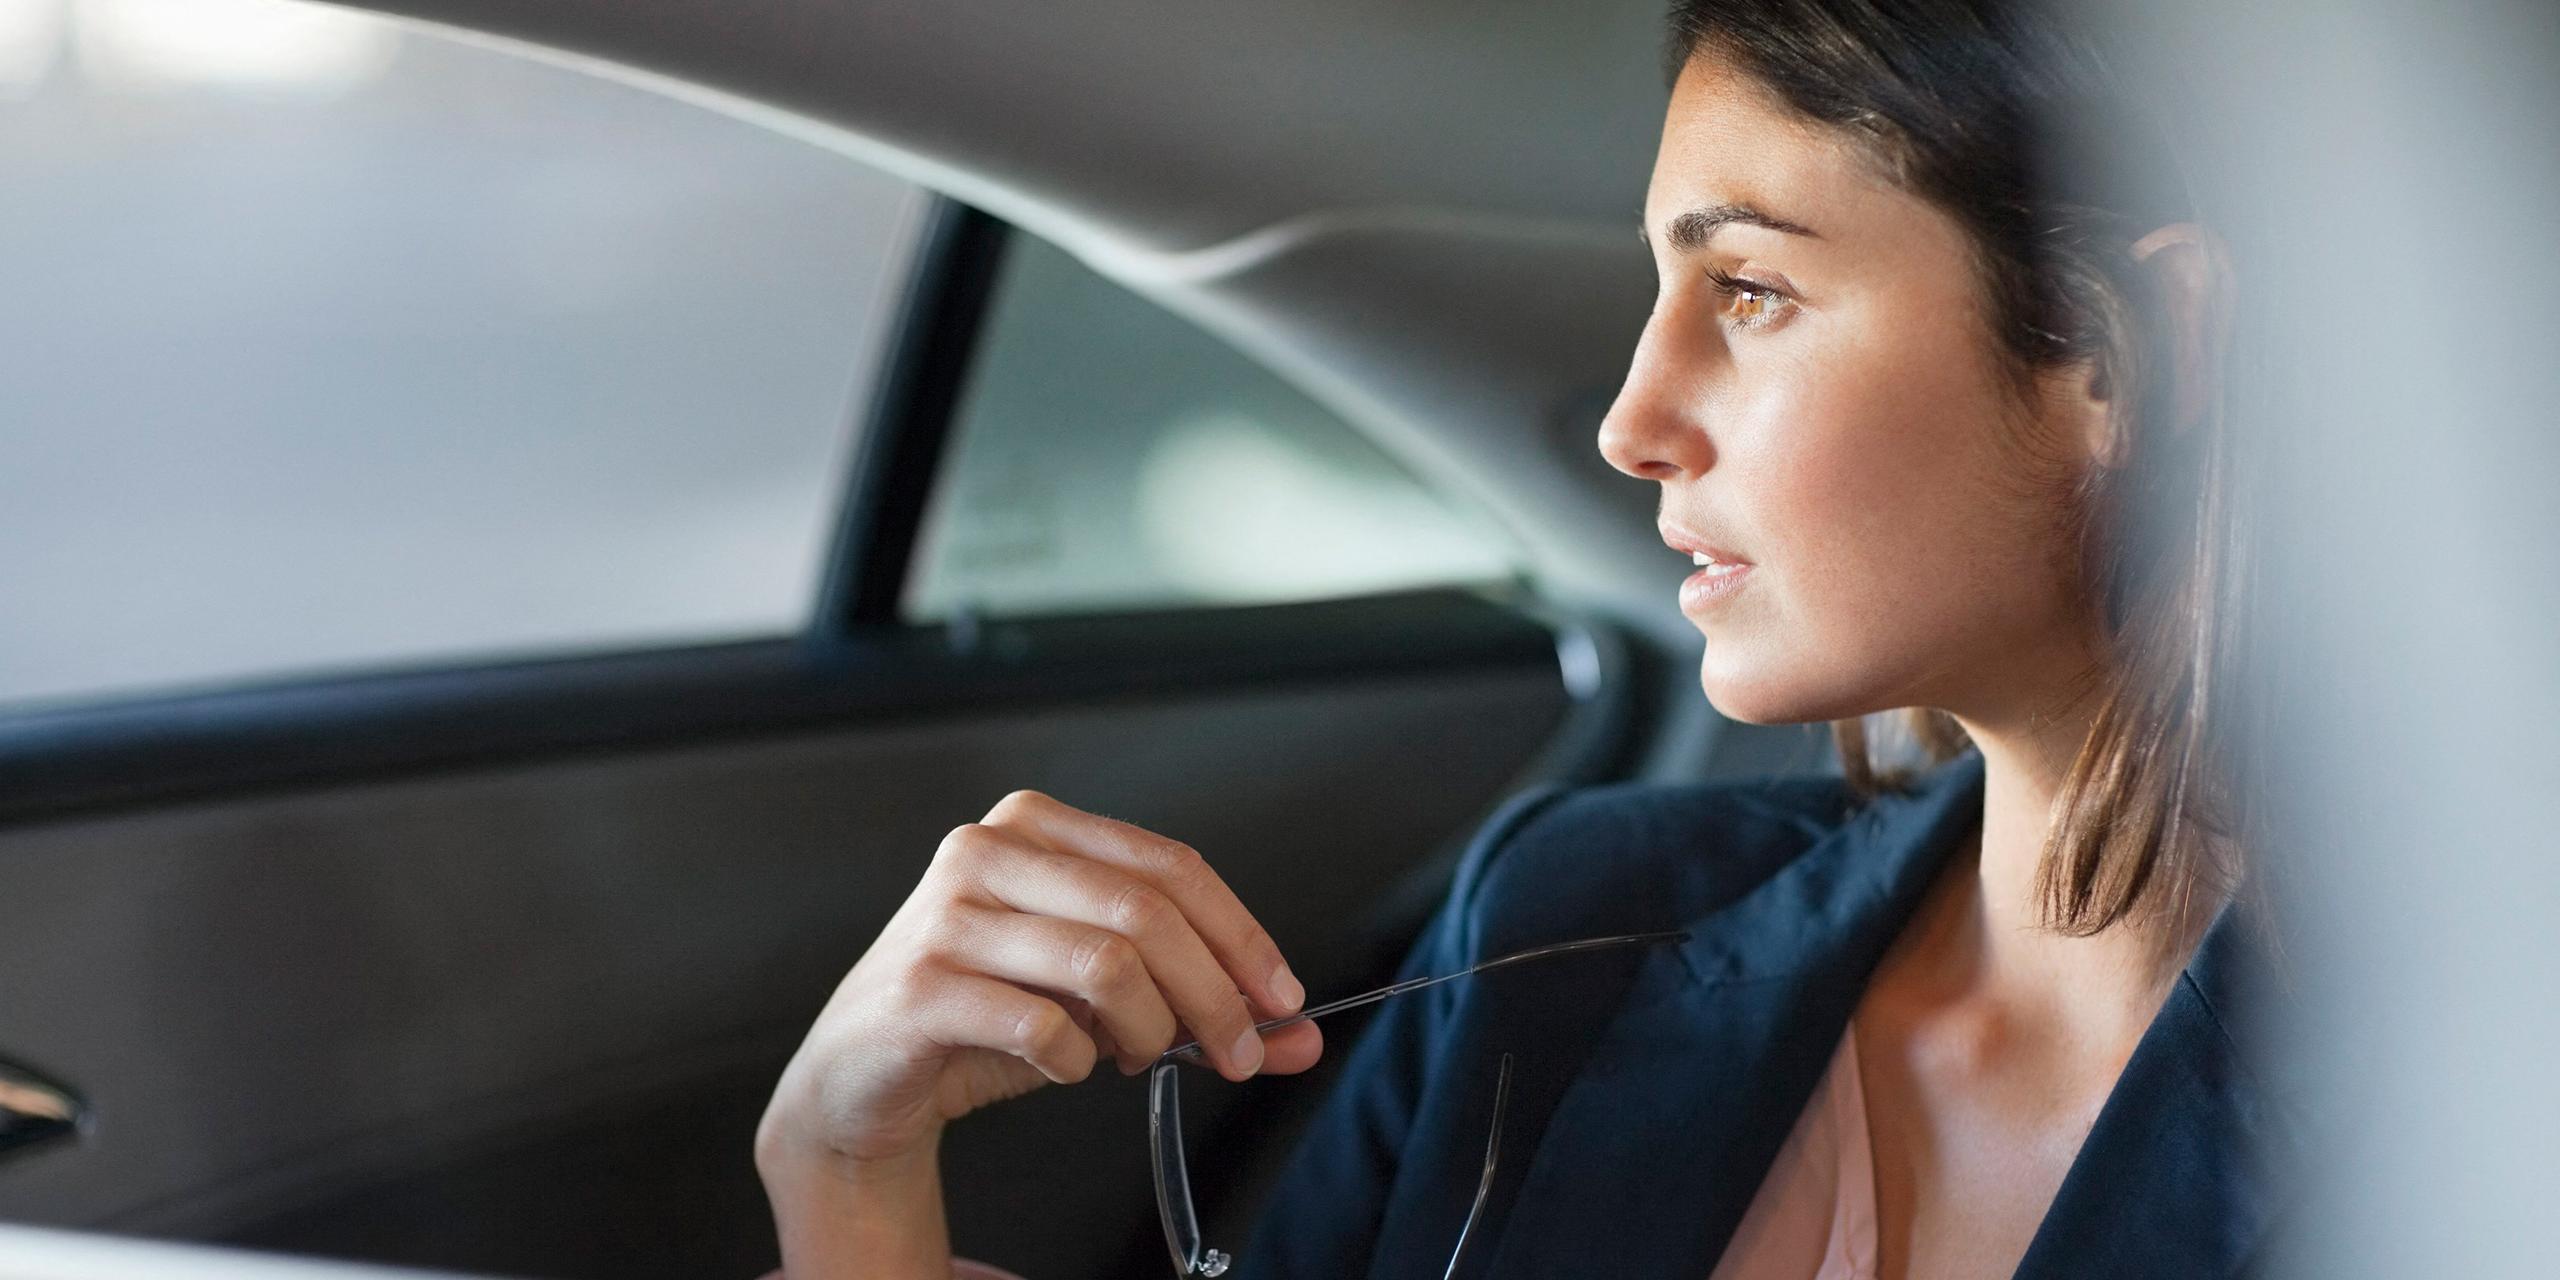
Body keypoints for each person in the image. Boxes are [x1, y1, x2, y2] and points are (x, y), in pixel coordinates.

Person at [752, 1, 2276, 1276]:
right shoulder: (1549, 931)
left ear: (2116, 347)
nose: (1630, 424)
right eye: (1661, 288)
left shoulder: (2483, 1114)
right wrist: (845, 1177)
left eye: (1749, 289)